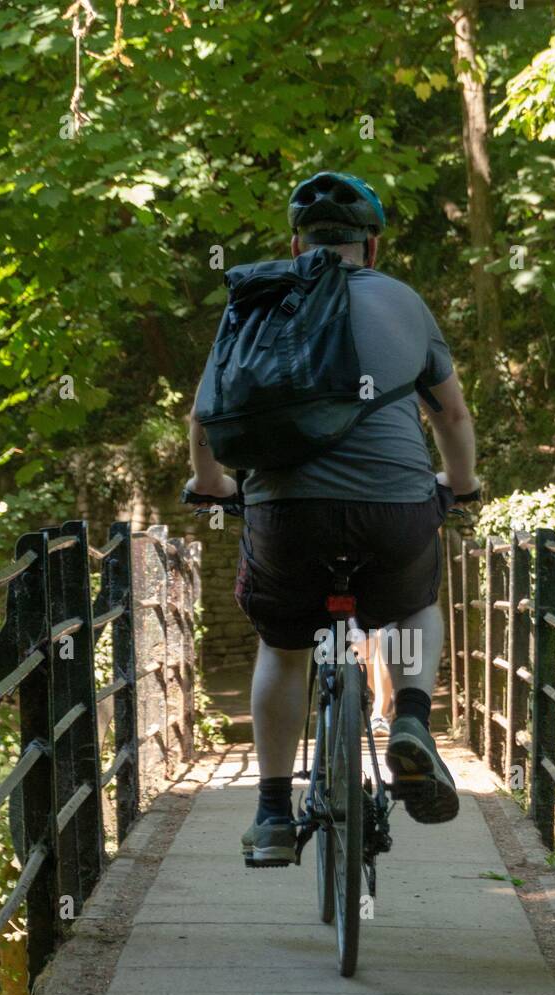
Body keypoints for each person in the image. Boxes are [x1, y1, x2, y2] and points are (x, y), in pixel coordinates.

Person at [186, 171, 480, 866]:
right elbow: (453, 416)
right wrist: (460, 485)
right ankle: (410, 717)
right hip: (395, 507)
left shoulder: (255, 301)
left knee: (285, 646)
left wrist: (210, 484)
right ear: (370, 248)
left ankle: (272, 815)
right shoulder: (405, 303)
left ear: (296, 243)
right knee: (412, 604)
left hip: (288, 518)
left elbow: (205, 416)